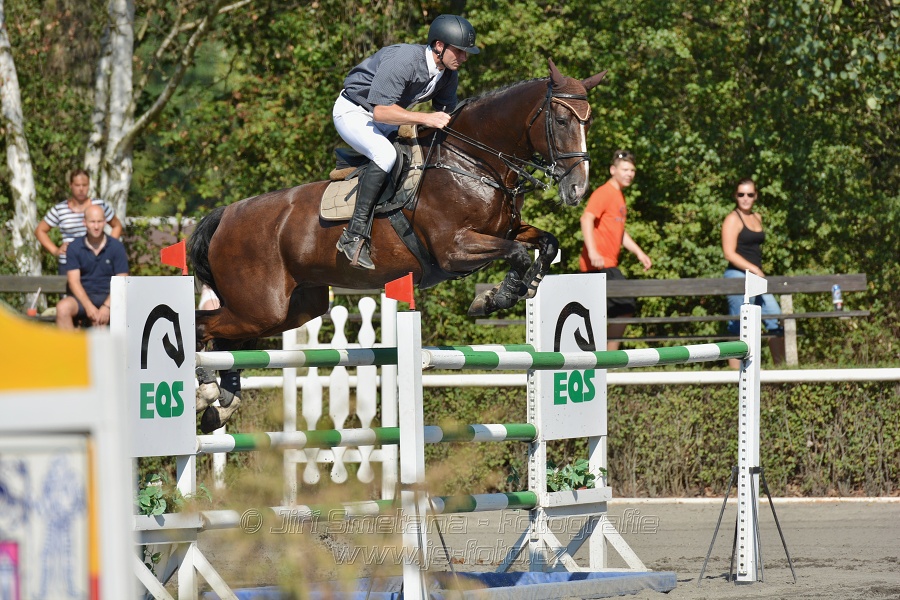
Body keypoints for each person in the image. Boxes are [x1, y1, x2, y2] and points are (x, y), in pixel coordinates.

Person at [332, 14, 480, 270]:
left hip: (387, 117)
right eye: (460, 51)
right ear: (438, 46)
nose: (464, 57)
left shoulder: (447, 75)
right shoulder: (404, 60)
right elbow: (380, 111)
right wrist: (425, 117)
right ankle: (353, 236)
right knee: (385, 155)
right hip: (355, 112)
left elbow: (446, 118)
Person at [579, 150, 652, 351]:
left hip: (608, 265)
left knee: (615, 311)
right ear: (613, 170)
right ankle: (605, 360)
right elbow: (586, 218)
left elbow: (619, 232)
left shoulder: (619, 196)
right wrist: (593, 252)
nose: (629, 174)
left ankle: (604, 360)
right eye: (625, 169)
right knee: (625, 307)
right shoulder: (604, 192)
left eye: (632, 170)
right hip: (597, 265)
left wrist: (639, 253)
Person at [721, 178, 785, 368]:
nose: (745, 198)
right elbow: (729, 253)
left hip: (755, 279)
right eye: (741, 194)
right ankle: (734, 379)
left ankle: (781, 371)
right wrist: (754, 269)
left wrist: (756, 272)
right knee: (738, 326)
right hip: (738, 276)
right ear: (735, 196)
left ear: (755, 196)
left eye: (749, 194)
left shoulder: (757, 217)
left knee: (774, 317)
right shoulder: (733, 219)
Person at [35, 169, 123, 274]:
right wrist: (55, 250)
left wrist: (108, 247)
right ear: (70, 185)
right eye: (77, 185)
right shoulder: (60, 209)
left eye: (84, 185)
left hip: (96, 261)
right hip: (69, 262)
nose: (81, 189)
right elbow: (40, 230)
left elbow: (117, 225)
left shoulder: (99, 205)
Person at [55, 205, 129, 329]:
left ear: (105, 222)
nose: (96, 226)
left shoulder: (116, 247)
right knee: (62, 308)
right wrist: (89, 307)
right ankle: (68, 348)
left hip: (111, 297)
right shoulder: (74, 247)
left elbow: (122, 281)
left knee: (102, 322)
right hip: (83, 298)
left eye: (99, 222)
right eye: (92, 222)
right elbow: (74, 282)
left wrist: (106, 307)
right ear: (84, 223)